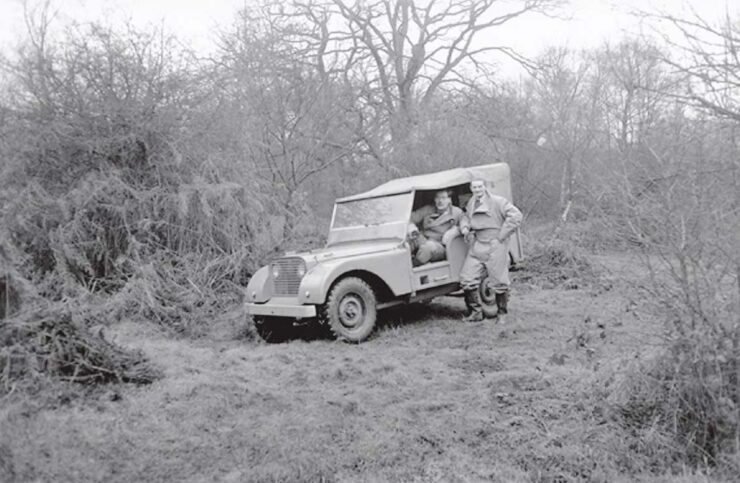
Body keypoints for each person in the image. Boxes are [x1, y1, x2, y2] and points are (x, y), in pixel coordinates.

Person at [458, 179, 522, 323]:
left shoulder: (498, 201)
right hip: (477, 244)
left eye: (480, 186)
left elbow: (516, 215)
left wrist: (502, 235)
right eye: (474, 187)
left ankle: (502, 314)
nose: (477, 189)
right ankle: (476, 313)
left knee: (499, 281)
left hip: (495, 244)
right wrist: (465, 227)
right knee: (467, 278)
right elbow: (465, 217)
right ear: (471, 188)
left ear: (485, 187)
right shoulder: (471, 203)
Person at [408, 190, 463, 266]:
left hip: (440, 246)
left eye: (443, 198)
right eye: (437, 197)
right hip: (424, 238)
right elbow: (409, 218)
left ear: (449, 200)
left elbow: (467, 224)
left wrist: (456, 230)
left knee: (428, 248)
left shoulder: (456, 212)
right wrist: (411, 226)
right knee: (406, 240)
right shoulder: (428, 209)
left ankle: (412, 267)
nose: (440, 201)